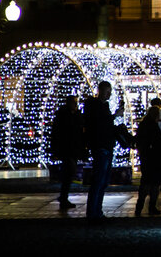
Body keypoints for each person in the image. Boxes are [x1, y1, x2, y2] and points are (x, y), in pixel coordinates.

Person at [83, 81, 121, 222]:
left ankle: (96, 211)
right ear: (100, 91)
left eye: (110, 91)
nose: (109, 94)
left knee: (103, 182)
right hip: (100, 147)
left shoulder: (102, 106)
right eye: (107, 91)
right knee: (99, 181)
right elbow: (99, 124)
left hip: (106, 146)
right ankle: (93, 212)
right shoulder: (95, 106)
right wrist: (114, 116)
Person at [134, 105, 161, 216]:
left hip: (149, 159)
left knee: (147, 184)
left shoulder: (145, 124)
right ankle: (150, 206)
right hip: (154, 159)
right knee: (153, 184)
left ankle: (142, 207)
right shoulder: (153, 126)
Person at [51, 96, 84, 210]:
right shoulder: (64, 116)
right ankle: (63, 197)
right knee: (69, 172)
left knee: (69, 173)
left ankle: (63, 197)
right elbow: (58, 134)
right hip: (67, 149)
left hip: (72, 149)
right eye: (74, 103)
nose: (76, 105)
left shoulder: (73, 115)